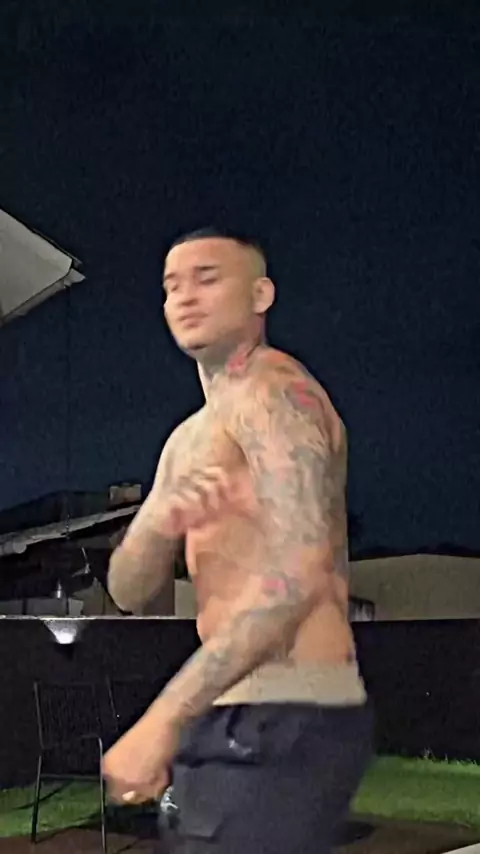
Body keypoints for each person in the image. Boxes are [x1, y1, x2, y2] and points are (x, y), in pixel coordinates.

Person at [102, 227, 373, 854]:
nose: (185, 296)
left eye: (207, 277)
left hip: (289, 711)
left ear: (260, 295)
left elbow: (300, 573)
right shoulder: (187, 440)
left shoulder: (277, 395)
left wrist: (163, 718)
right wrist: (158, 519)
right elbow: (127, 591)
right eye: (171, 285)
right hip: (231, 715)